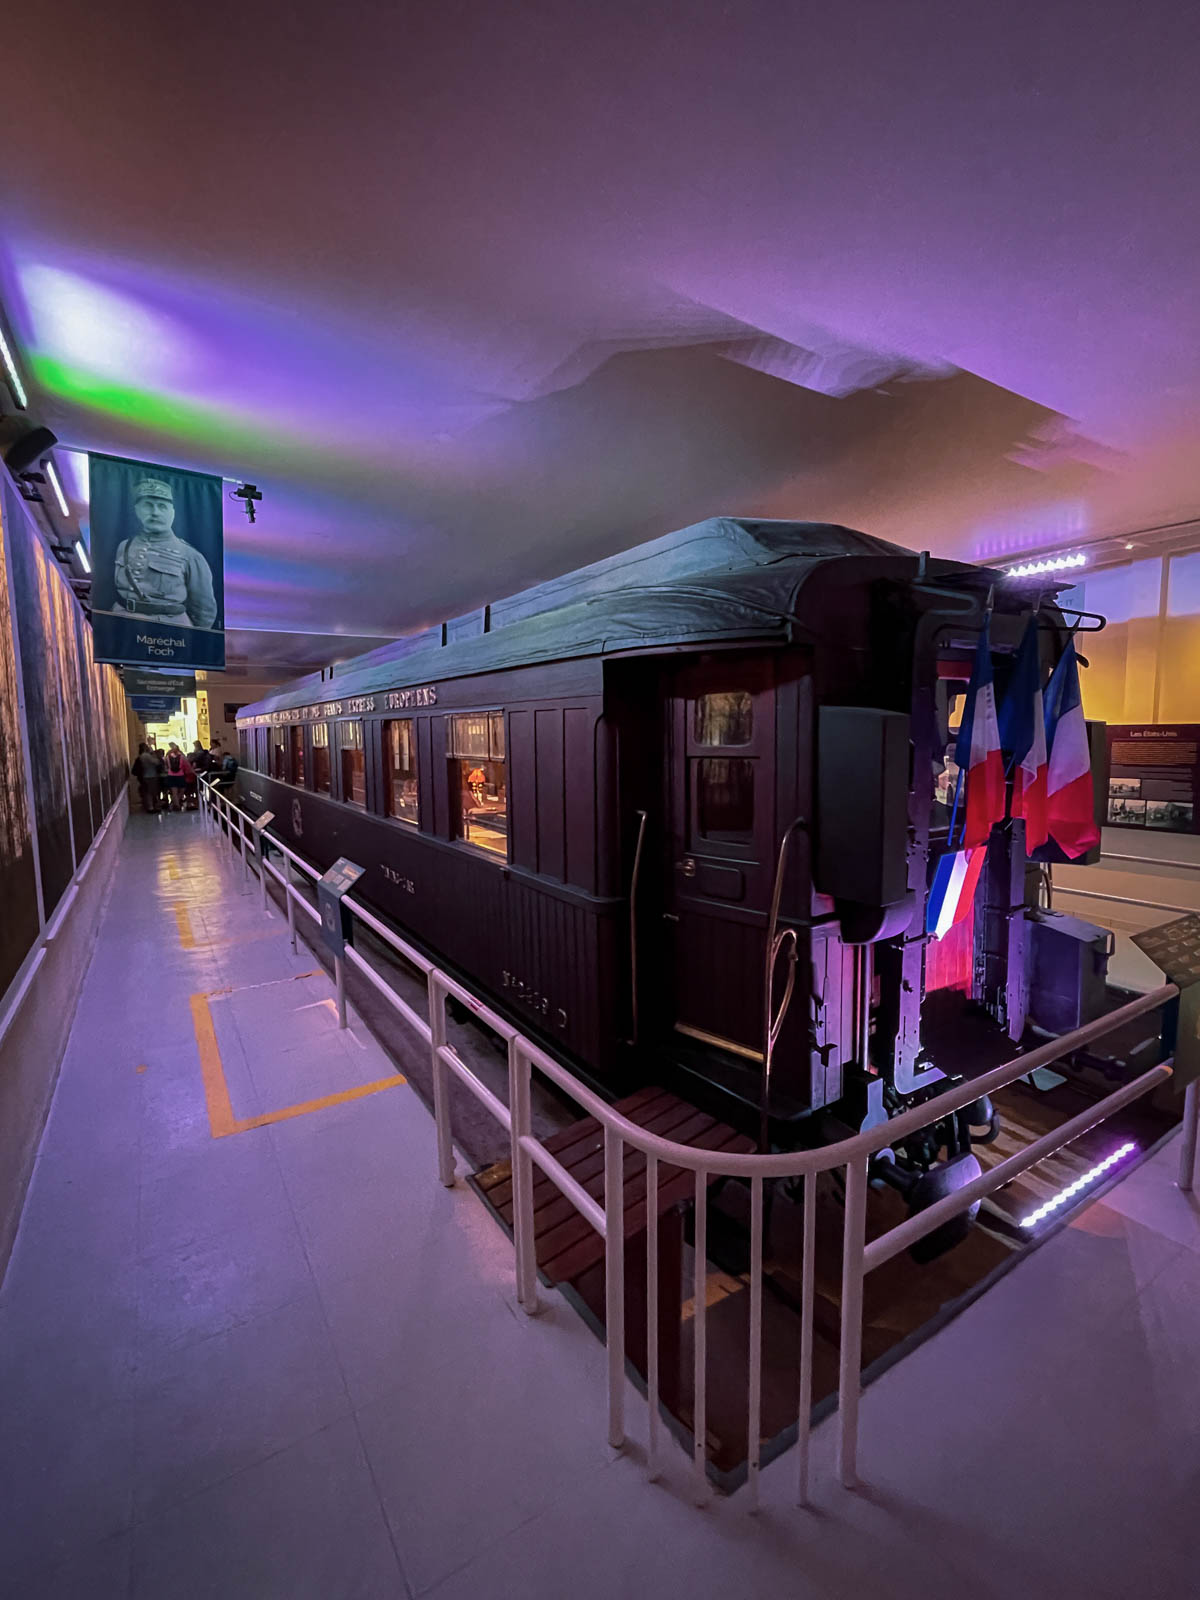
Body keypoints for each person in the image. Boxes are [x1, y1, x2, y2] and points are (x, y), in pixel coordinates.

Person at [112, 478, 218, 629]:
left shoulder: (191, 555)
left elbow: (204, 611)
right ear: (137, 510)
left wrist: (188, 637)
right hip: (121, 624)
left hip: (167, 632)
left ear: (172, 513)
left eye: (162, 506)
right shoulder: (124, 546)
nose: (155, 513)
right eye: (148, 505)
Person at [131, 742, 163, 813]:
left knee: (148, 792)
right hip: (150, 776)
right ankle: (151, 807)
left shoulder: (141, 756)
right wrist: (154, 754)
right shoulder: (146, 756)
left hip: (145, 776)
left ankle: (150, 806)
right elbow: (156, 762)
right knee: (151, 792)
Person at [162, 743, 195, 812]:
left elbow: (165, 767)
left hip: (171, 775)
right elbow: (187, 766)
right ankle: (176, 803)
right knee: (182, 789)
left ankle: (176, 805)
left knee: (174, 792)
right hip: (180, 775)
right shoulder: (182, 757)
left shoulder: (167, 757)